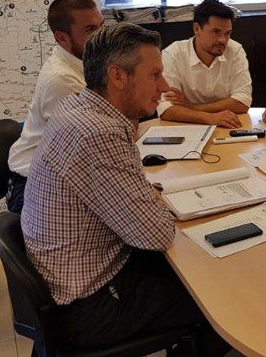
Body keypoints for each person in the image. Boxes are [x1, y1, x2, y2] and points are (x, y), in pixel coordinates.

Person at [21, 22, 230, 354]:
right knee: (219, 295)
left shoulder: (76, 106)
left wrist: (148, 198)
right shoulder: (99, 133)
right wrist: (154, 202)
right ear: (117, 76)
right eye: (154, 75)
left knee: (195, 265)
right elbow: (156, 235)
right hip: (90, 304)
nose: (164, 87)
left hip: (70, 275)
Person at [6, 0, 104, 213]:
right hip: (31, 184)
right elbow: (94, 144)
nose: (102, 36)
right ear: (62, 38)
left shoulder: (87, 61)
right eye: (90, 30)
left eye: (102, 26)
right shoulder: (61, 79)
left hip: (64, 171)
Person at [158, 0, 252, 128]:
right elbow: (166, 109)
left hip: (227, 125)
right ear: (197, 29)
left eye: (227, 33)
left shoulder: (235, 50)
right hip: (186, 128)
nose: (223, 40)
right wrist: (210, 118)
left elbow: (242, 102)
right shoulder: (173, 54)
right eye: (216, 32)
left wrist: (192, 107)